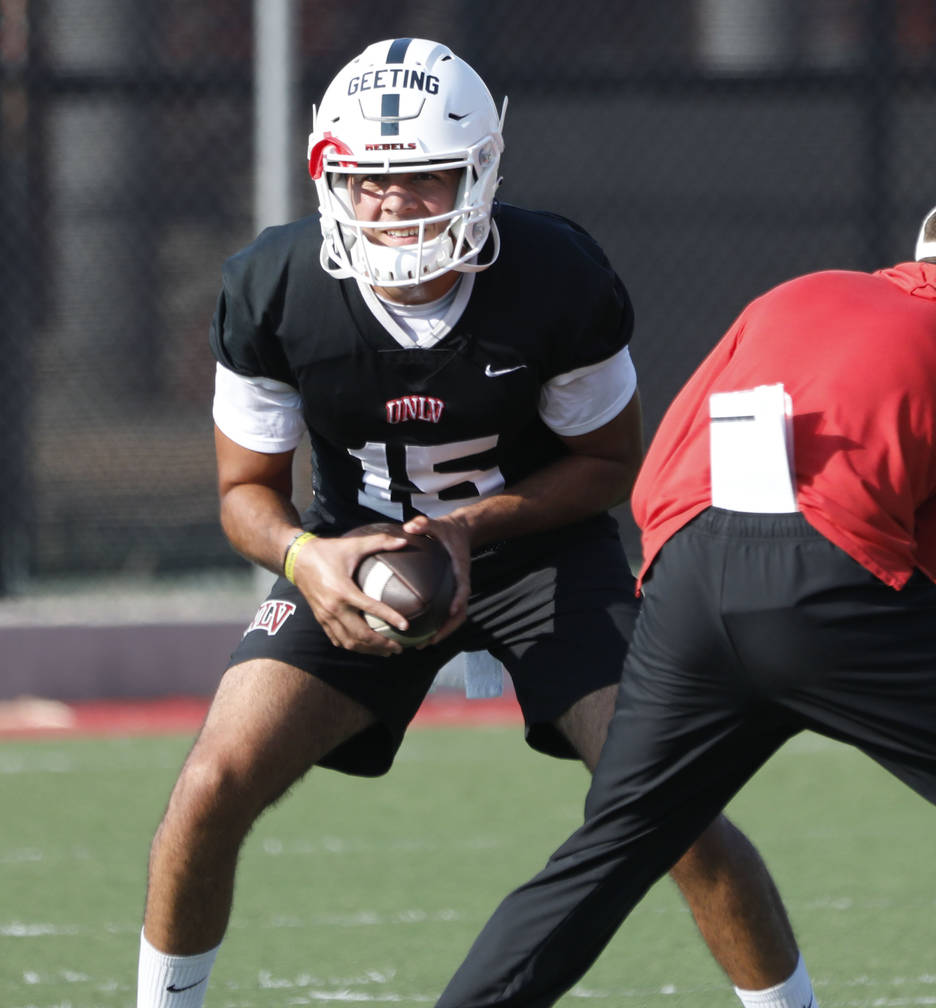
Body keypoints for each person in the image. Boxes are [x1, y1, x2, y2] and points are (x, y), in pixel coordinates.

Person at [135, 37, 810, 1008]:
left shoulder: (555, 274)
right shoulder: (272, 287)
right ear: (330, 174)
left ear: (480, 172)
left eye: (424, 178)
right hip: (354, 554)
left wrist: (469, 529)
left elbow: (605, 467)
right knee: (209, 785)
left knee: (671, 805)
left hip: (542, 558)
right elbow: (245, 493)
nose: (393, 206)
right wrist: (308, 558)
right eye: (370, 179)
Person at [432, 190, 936, 1008]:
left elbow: (656, 479)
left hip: (683, 572)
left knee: (611, 849)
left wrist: (710, 594)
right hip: (838, 588)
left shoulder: (800, 289)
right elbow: (934, 559)